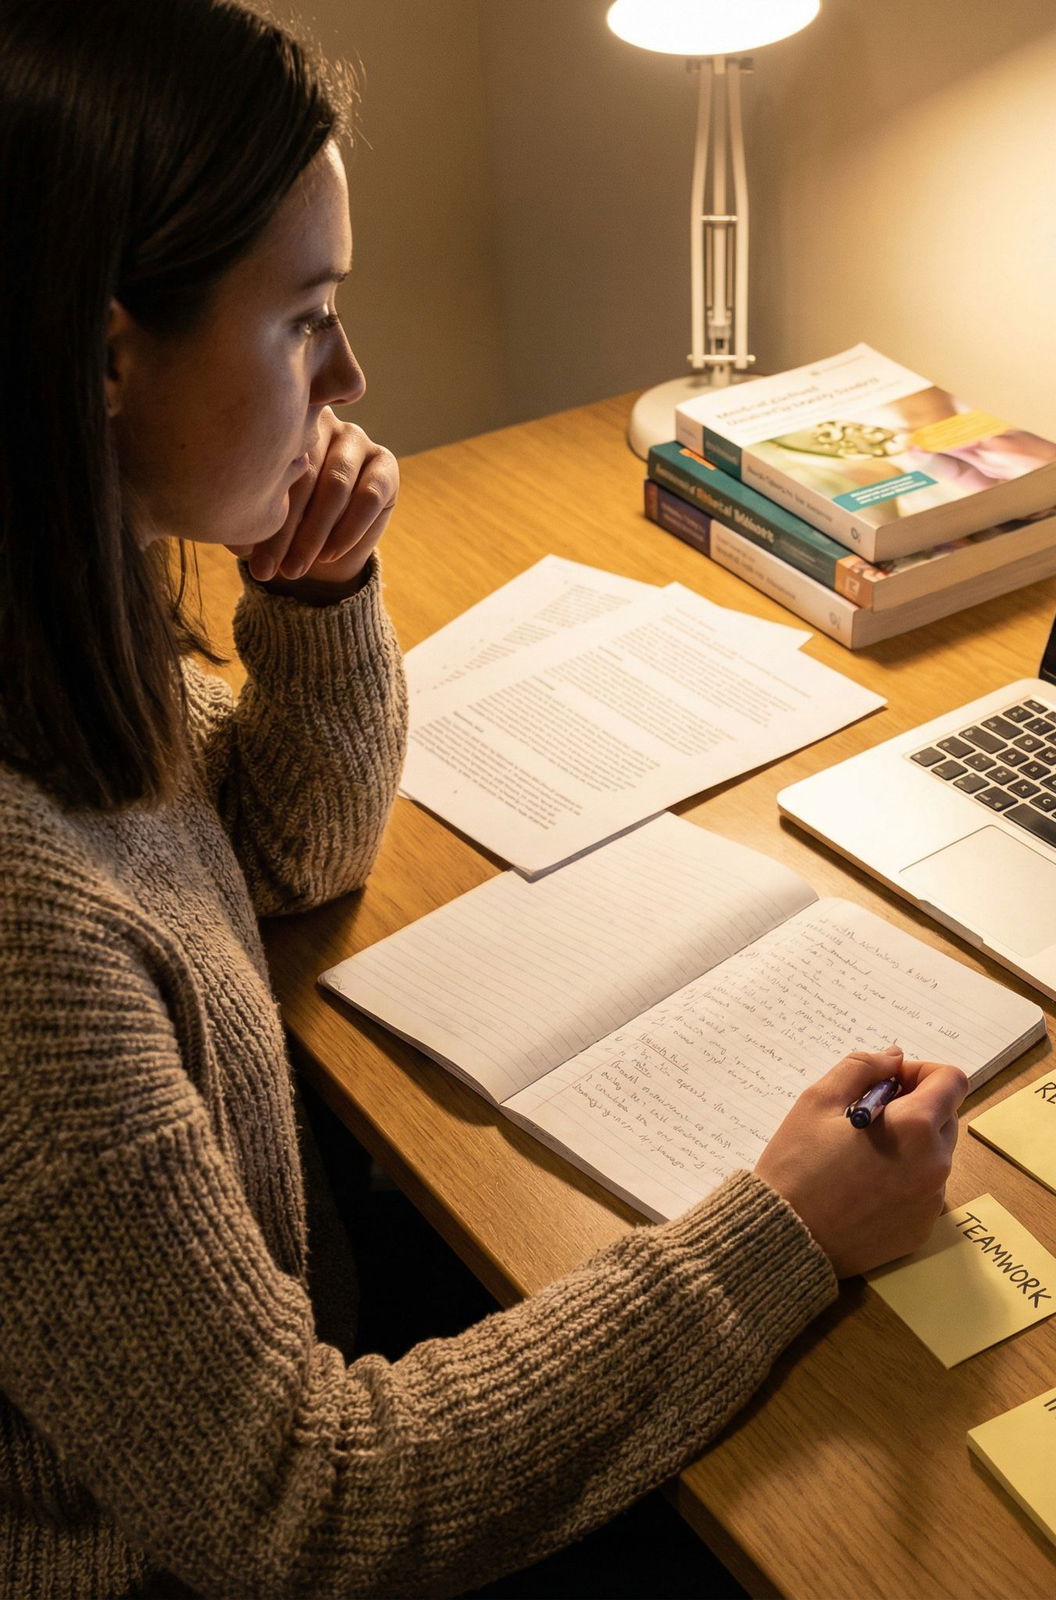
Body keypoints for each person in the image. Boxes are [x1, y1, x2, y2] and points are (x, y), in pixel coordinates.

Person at [0, 2, 968, 1595]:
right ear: (108, 354)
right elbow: (295, 1510)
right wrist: (784, 1226)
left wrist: (317, 599)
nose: (356, 374)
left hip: (287, 1342)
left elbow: (290, 857)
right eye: (305, 318)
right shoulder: (23, 926)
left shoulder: (73, 601)